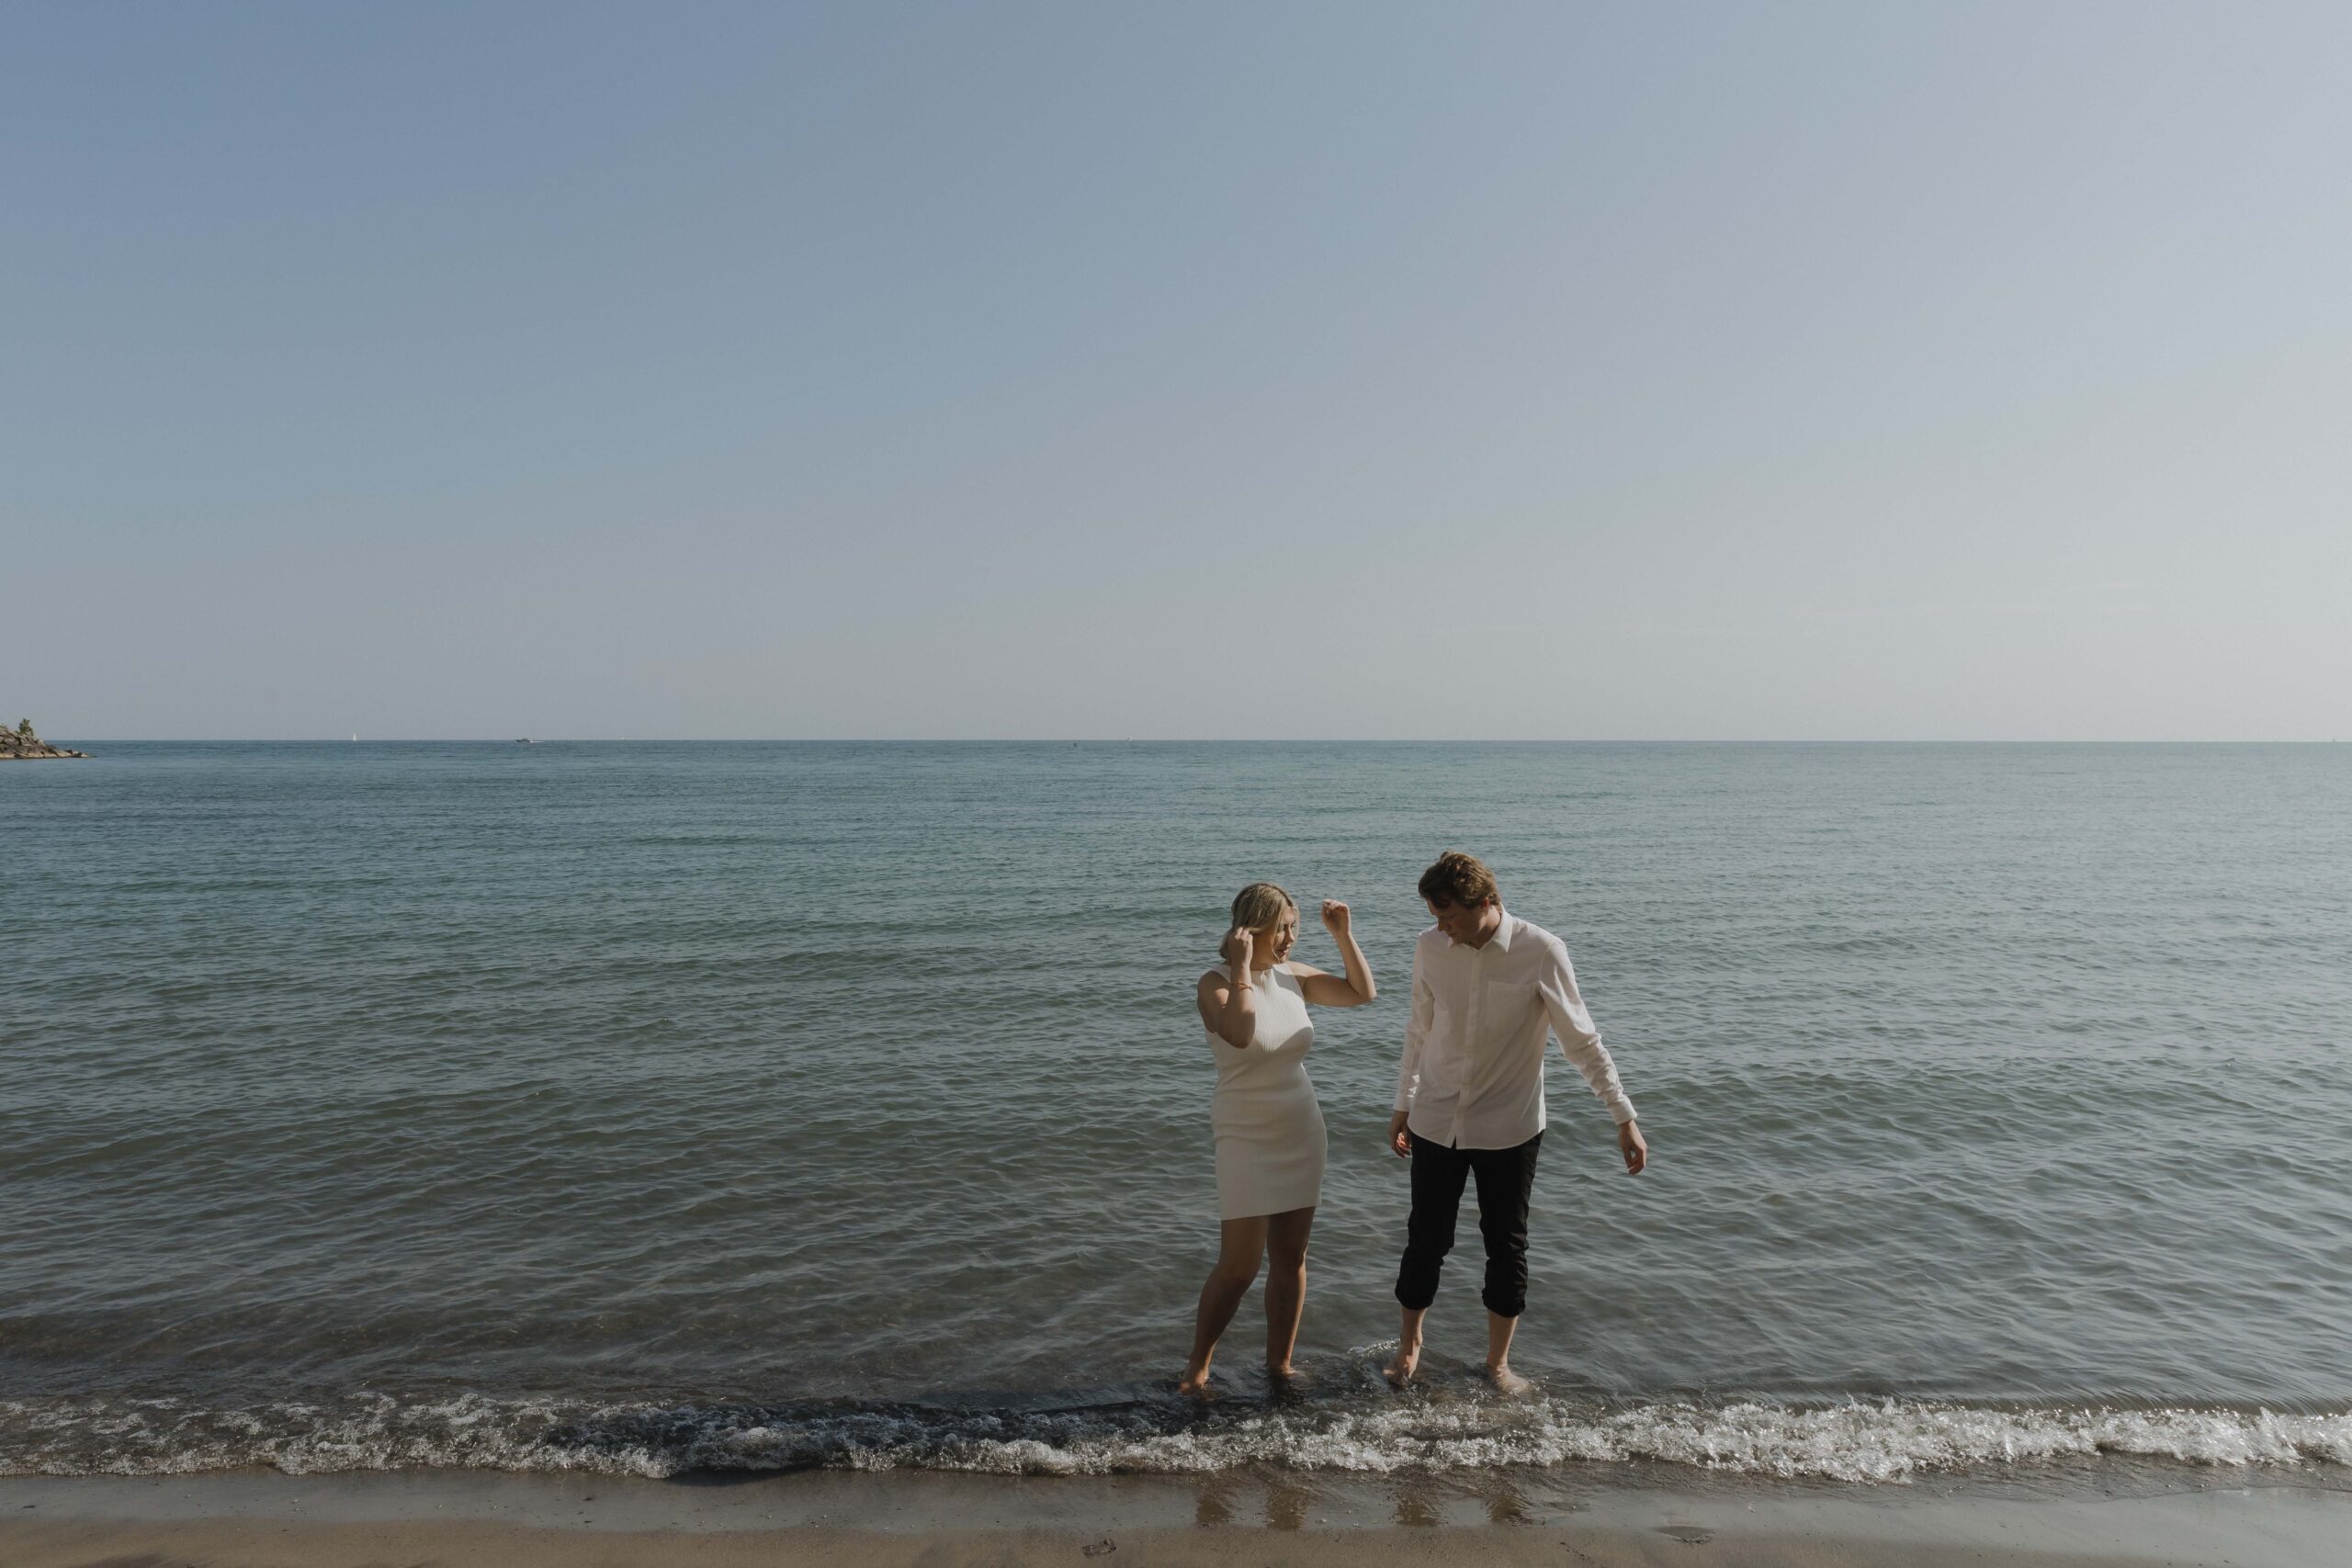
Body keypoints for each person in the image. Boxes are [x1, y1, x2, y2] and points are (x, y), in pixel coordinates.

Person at [1384, 851, 1648, 1393]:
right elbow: (1419, 1029)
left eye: (1450, 917)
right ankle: (1409, 1346)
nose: (1443, 929)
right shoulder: (1430, 948)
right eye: (1436, 918)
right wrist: (1402, 1104)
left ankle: (1497, 1364)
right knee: (1425, 1240)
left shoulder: (1541, 950)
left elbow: (1582, 1040)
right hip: (1436, 1118)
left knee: (1505, 1245)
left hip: (1510, 1125)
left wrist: (1623, 1116)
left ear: (1487, 903)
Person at [1178, 881, 1377, 1395]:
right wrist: (1244, 968)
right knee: (1239, 1266)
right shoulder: (1214, 982)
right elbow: (1241, 1033)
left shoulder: (1294, 977)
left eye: (1295, 928)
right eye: (1282, 929)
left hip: (1300, 1126)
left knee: (1292, 1256)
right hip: (1244, 1132)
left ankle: (1280, 1365)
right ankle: (1196, 1369)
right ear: (1251, 930)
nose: (1290, 938)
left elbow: (1362, 993)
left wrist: (1343, 936)